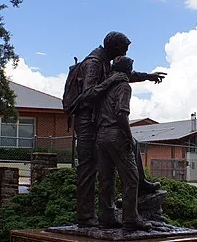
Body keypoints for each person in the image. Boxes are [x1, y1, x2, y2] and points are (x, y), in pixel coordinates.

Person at [71, 31, 165, 228]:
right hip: (86, 120)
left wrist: (148, 76)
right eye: (124, 48)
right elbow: (88, 94)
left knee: (121, 157)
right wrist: (111, 81)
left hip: (98, 121)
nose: (125, 52)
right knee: (88, 168)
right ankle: (86, 217)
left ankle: (111, 211)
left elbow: (124, 75)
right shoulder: (94, 63)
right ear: (114, 47)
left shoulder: (108, 63)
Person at [95, 56, 151, 231]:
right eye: (131, 68)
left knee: (106, 179)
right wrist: (128, 136)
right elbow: (121, 114)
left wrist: (148, 76)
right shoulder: (123, 87)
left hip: (101, 136)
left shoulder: (105, 84)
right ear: (127, 70)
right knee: (132, 179)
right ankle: (131, 219)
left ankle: (105, 217)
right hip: (116, 135)